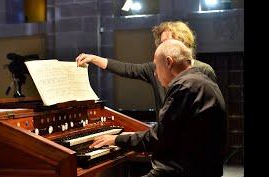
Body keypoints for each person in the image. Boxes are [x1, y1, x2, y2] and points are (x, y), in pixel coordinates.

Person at [89, 39, 227, 177]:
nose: (154, 73)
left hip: (181, 173)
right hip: (199, 170)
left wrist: (116, 139)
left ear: (168, 62)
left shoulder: (184, 87)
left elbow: (157, 137)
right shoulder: (201, 80)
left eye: (156, 66)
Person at [76, 21, 217, 122]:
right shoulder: (155, 68)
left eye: (167, 41)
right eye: (161, 43)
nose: (162, 46)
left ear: (183, 43)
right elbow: (127, 69)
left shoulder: (204, 70)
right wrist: (94, 58)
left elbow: (212, 116)